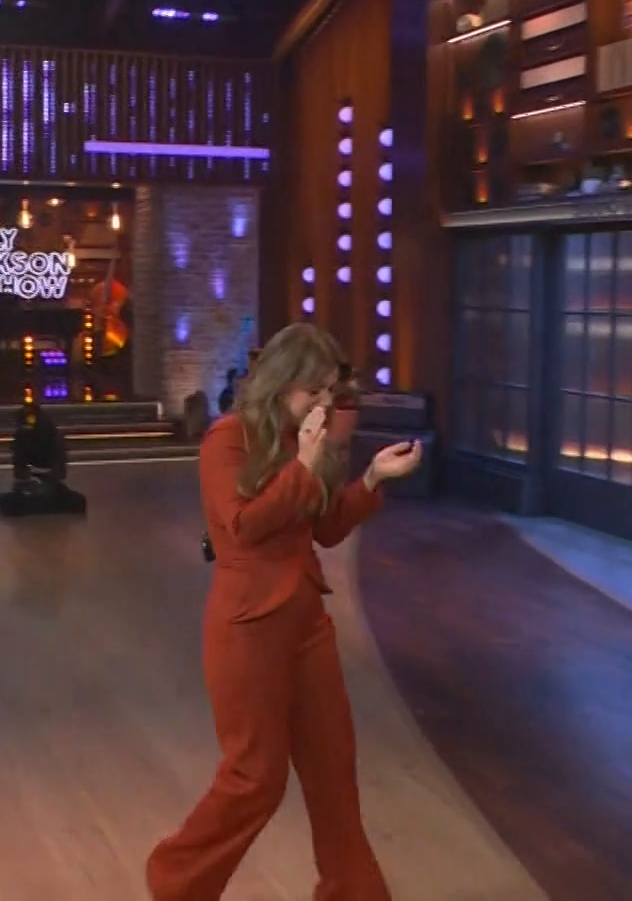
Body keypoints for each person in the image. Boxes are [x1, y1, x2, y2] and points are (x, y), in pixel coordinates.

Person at [146, 323, 423, 901]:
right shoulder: (227, 439)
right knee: (256, 777)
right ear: (280, 381)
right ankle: (176, 881)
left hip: (306, 623)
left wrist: (372, 477)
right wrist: (302, 464)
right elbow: (243, 528)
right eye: (312, 391)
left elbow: (325, 528)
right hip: (249, 627)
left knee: (333, 770)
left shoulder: (309, 442)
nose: (323, 404)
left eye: (329, 393)